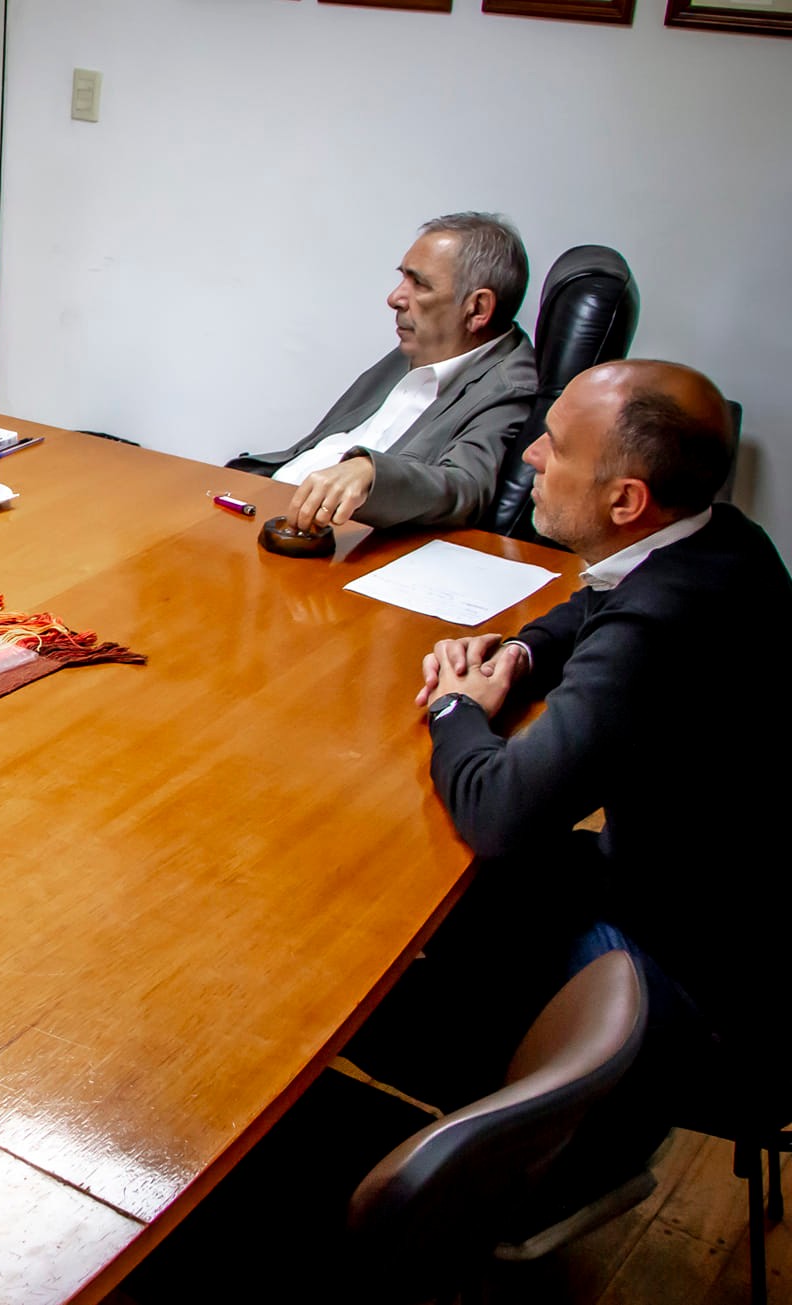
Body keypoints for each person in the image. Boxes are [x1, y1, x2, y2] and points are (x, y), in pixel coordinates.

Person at [370, 359, 789, 1205]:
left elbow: (499, 810)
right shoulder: (723, 541)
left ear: (626, 500)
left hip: (697, 995)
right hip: (731, 913)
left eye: (555, 446)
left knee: (374, 971)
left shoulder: (662, 629)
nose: (529, 456)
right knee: (431, 902)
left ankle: (502, 1170)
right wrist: (514, 654)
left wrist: (457, 710)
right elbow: (593, 605)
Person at [229, 213, 539, 532]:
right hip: (267, 499)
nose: (395, 298)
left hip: (332, 538)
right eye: (403, 277)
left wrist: (370, 472)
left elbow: (466, 486)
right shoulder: (432, 338)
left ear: (477, 309)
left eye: (419, 284)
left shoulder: (509, 385)